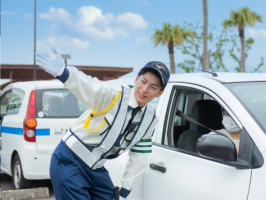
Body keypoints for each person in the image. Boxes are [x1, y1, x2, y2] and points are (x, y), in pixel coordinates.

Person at [35, 49, 170, 200]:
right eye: (143, 81)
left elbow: (139, 156)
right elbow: (91, 87)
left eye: (153, 87)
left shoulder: (150, 119)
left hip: (97, 168)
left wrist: (125, 190)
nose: (145, 89)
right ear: (136, 79)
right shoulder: (115, 94)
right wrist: (63, 73)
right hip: (69, 160)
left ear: (159, 93)